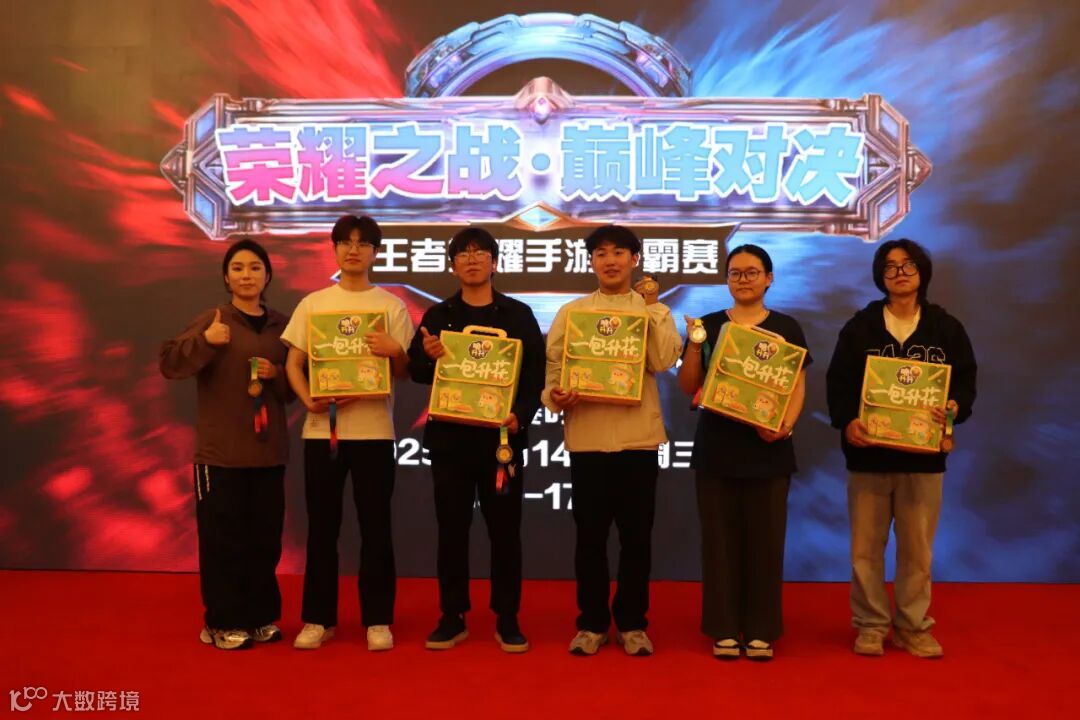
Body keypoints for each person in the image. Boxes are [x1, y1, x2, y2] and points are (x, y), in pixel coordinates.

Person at [826, 238, 977, 659]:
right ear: (880, 276)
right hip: (868, 457)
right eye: (890, 267)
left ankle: (913, 626)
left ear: (922, 271)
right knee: (865, 551)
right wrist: (848, 422)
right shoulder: (860, 327)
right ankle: (871, 625)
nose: (900, 273)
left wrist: (953, 411)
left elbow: (965, 386)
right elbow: (838, 385)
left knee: (917, 552)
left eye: (908, 265)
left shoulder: (946, 329)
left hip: (924, 461)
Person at [542, 224, 682, 657]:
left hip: (638, 440)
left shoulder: (650, 310)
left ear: (634, 259)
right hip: (587, 440)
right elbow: (554, 371)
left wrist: (653, 309)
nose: (610, 260)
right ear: (591, 262)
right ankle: (591, 623)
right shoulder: (573, 312)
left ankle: (634, 624)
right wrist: (555, 397)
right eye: (601, 253)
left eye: (619, 252)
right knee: (590, 539)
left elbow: (664, 359)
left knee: (636, 539)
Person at [407, 227, 545, 653]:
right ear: (452, 265)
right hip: (450, 442)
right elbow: (416, 371)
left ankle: (507, 617)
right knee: (452, 531)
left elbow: (535, 375)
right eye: (463, 253)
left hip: (501, 441)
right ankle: (452, 616)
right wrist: (428, 357)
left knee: (505, 532)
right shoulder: (438, 315)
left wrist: (521, 416)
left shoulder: (518, 315)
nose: (471, 259)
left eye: (480, 252)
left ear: (494, 262)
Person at [280, 214, 415, 651]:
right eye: (345, 242)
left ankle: (378, 620)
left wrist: (395, 351)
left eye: (363, 243)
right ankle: (318, 619)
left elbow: (406, 372)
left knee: (376, 527)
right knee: (322, 528)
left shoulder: (391, 306)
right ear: (335, 249)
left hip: (374, 432)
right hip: (323, 432)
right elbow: (293, 363)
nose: (353, 250)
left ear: (375, 252)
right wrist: (307, 399)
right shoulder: (313, 304)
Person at [676, 244, 810, 661]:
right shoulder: (710, 324)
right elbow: (689, 386)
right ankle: (723, 628)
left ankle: (761, 630)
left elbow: (796, 385)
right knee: (719, 543)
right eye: (735, 273)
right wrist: (694, 344)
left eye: (752, 272)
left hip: (769, 451)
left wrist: (785, 426)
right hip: (717, 449)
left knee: (765, 543)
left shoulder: (786, 327)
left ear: (769, 278)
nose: (743, 279)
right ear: (727, 280)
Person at [160, 238, 293, 650]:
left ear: (267, 276)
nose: (246, 275)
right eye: (238, 268)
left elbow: (297, 389)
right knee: (223, 543)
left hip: (268, 452)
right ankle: (221, 622)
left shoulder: (283, 326)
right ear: (226, 277)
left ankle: (259, 617)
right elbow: (169, 363)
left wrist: (277, 375)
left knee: (264, 542)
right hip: (220, 456)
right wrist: (207, 341)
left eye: (255, 268)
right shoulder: (214, 319)